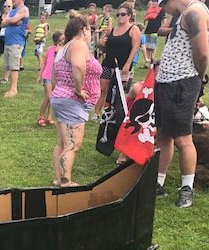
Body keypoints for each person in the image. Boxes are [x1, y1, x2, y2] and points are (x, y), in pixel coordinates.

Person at [154, 0, 209, 208]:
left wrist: (199, 78)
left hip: (182, 84)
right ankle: (158, 182)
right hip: (166, 82)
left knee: (183, 138)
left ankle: (187, 188)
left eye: (165, 4)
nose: (165, 9)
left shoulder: (194, 12)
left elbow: (203, 52)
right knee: (163, 135)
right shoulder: (183, 14)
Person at [50, 16, 102, 187]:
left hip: (60, 98)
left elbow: (54, 76)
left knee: (62, 143)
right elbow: (79, 66)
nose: (90, 34)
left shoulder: (64, 48)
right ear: (83, 29)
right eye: (89, 30)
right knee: (73, 144)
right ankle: (66, 182)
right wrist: (78, 90)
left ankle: (58, 179)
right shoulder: (78, 44)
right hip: (72, 100)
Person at [95, 3, 141, 115]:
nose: (120, 16)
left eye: (123, 14)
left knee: (117, 90)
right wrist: (100, 44)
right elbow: (105, 48)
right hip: (108, 63)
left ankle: (117, 111)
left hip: (122, 65)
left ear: (129, 15)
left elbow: (135, 48)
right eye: (118, 14)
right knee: (102, 89)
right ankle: (97, 112)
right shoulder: (113, 29)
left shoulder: (133, 29)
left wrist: (128, 63)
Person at [0, 0, 29, 97]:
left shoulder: (24, 9)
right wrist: (13, 21)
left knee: (14, 67)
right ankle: (11, 88)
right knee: (9, 66)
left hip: (16, 42)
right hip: (8, 42)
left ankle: (13, 89)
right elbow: (2, 24)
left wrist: (11, 21)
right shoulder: (12, 10)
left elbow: (10, 20)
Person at [37, 30, 63, 126]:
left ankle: (49, 117)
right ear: (55, 41)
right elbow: (44, 63)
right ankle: (40, 116)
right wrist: (40, 75)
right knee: (49, 96)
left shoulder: (63, 50)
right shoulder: (50, 49)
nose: (62, 42)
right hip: (47, 75)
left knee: (54, 97)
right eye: (60, 40)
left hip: (57, 77)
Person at [143, 0, 165, 67]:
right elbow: (146, 19)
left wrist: (162, 28)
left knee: (152, 47)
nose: (153, 3)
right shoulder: (150, 10)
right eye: (152, 1)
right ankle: (147, 62)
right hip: (148, 30)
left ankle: (152, 61)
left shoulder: (161, 10)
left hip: (155, 30)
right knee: (147, 46)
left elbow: (164, 20)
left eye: (154, 1)